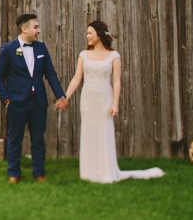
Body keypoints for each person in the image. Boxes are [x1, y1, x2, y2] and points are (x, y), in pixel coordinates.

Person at [64, 20, 164, 183]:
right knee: (89, 132)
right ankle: (89, 173)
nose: (87, 36)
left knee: (104, 132)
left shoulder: (114, 56)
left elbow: (117, 82)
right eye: (87, 33)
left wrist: (115, 103)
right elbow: (76, 78)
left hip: (105, 98)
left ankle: (106, 172)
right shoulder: (83, 55)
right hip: (88, 100)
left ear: (99, 34)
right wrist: (65, 96)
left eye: (90, 33)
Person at [0, 13, 69, 183]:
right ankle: (13, 174)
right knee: (15, 139)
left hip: (38, 102)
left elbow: (50, 74)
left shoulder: (41, 48)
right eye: (36, 27)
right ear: (24, 28)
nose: (39, 31)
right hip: (17, 102)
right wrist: (6, 98)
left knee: (38, 139)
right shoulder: (8, 49)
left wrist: (61, 96)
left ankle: (39, 174)